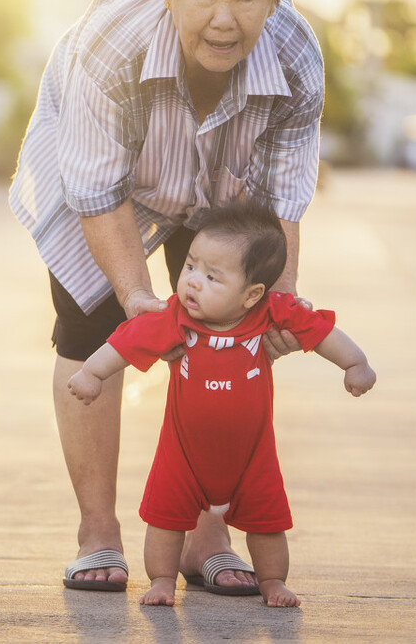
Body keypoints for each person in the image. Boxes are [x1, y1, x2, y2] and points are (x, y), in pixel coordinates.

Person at [8, 0, 325, 592]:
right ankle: (98, 531)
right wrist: (136, 297)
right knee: (88, 325)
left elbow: (284, 191)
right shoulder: (111, 42)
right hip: (114, 171)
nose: (224, 19)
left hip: (224, 182)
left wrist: (278, 297)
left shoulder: (298, 57)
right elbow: (96, 188)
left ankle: (204, 533)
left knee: (229, 327)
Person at [67, 201, 377, 607]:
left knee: (268, 524)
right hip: (183, 454)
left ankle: (273, 583)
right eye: (191, 266)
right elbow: (127, 341)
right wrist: (93, 373)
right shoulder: (175, 317)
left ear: (252, 295)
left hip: (252, 456)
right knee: (164, 519)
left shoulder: (272, 314)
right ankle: (161, 579)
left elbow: (320, 331)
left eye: (212, 277)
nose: (193, 281)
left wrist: (355, 363)